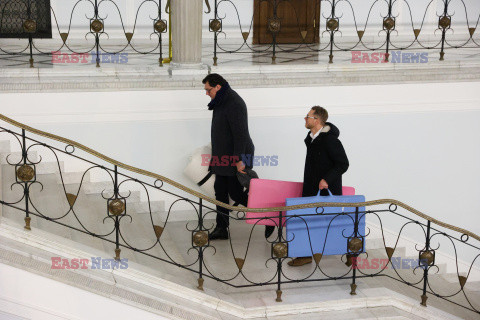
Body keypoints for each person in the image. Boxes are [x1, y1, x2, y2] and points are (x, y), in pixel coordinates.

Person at [288, 106, 349, 266]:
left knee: (330, 224)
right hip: (311, 189)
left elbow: (343, 164)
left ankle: (351, 251)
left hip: (326, 190)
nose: (305, 119)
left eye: (307, 116)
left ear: (317, 120)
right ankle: (306, 254)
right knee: (308, 221)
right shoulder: (312, 139)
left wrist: (327, 180)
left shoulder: (330, 140)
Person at [203, 73, 256, 240]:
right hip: (224, 155)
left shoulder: (234, 102)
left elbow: (240, 134)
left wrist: (239, 160)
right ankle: (222, 228)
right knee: (220, 191)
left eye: (208, 89)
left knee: (236, 193)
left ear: (218, 87)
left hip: (238, 156)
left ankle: (268, 216)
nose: (206, 93)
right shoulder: (221, 100)